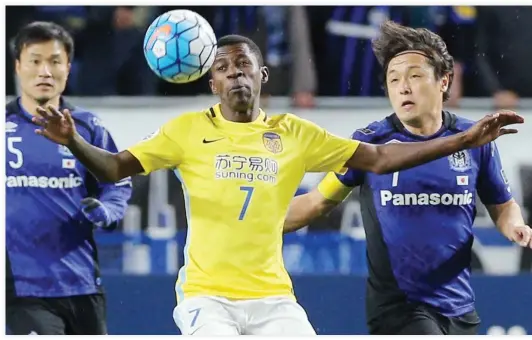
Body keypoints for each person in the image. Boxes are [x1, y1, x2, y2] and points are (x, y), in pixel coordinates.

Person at [32, 33, 522, 336]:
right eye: (222, 68)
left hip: (273, 299)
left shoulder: (293, 134)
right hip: (206, 297)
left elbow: (378, 158)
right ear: (212, 84)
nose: (235, 74)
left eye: (243, 65)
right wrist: (73, 141)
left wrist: (464, 139)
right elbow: (115, 169)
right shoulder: (184, 131)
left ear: (262, 74)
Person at [284, 21, 531, 335]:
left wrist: (515, 227)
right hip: (398, 309)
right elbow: (317, 201)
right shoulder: (369, 144)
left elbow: (502, 204)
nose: (403, 87)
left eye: (415, 76)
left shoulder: (474, 139)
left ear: (444, 80)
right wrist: (255, 222)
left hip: (459, 309)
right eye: (394, 79)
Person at [6, 21, 132, 335]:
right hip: (21, 290)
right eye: (35, 61)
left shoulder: (88, 127)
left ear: (69, 68)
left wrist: (107, 211)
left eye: (54, 61)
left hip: (82, 283)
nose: (45, 71)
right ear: (18, 66)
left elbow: (116, 180)